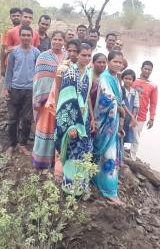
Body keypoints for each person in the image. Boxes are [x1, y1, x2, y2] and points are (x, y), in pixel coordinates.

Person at [55, 43, 94, 194]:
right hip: (72, 121)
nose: (86, 58)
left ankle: (80, 186)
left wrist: (91, 117)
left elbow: (87, 97)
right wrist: (71, 125)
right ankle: (69, 188)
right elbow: (66, 100)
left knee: (84, 152)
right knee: (72, 152)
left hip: (83, 119)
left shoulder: (89, 72)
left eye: (89, 55)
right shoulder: (70, 73)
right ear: (76, 55)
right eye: (83, 55)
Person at [92, 51, 125, 205]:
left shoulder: (116, 79)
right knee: (109, 154)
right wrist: (118, 107)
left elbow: (118, 98)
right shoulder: (105, 77)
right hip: (106, 121)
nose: (118, 65)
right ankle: (109, 190)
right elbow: (107, 99)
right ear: (109, 61)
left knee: (109, 154)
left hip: (114, 121)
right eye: (115, 62)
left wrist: (121, 111)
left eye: (120, 62)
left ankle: (98, 180)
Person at [3, 25, 40, 157]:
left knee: (27, 118)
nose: (25, 37)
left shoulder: (36, 53)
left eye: (28, 35)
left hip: (30, 90)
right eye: (23, 35)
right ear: (19, 36)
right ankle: (12, 144)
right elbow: (9, 71)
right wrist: (6, 88)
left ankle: (22, 144)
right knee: (12, 118)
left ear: (32, 37)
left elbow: (39, 73)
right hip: (15, 89)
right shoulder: (14, 52)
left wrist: (38, 91)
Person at [32, 31, 66, 169]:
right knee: (46, 127)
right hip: (46, 101)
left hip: (63, 99)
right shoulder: (43, 56)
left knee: (59, 129)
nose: (57, 42)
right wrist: (40, 99)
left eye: (60, 39)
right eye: (55, 39)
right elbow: (39, 78)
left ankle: (56, 161)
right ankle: (41, 159)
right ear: (51, 40)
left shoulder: (68, 57)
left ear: (64, 41)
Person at [132, 61, 158, 157]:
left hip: (141, 115)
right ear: (141, 69)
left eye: (149, 69)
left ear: (151, 71)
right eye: (145, 69)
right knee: (122, 134)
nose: (147, 71)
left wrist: (152, 118)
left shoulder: (153, 86)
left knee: (136, 137)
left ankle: (132, 157)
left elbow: (153, 103)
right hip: (128, 113)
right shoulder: (132, 80)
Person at [121, 69, 139, 160]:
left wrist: (133, 118)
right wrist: (132, 116)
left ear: (133, 80)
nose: (128, 81)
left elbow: (136, 106)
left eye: (130, 79)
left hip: (129, 119)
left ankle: (122, 155)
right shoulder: (120, 89)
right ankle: (119, 155)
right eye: (126, 78)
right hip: (122, 117)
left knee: (126, 135)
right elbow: (123, 104)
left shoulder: (134, 92)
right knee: (120, 134)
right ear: (122, 79)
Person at [1, 8, 21, 77]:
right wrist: (2, 67)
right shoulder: (7, 31)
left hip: (21, 64)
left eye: (18, 16)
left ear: (21, 16)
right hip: (9, 64)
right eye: (13, 16)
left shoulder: (26, 31)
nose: (16, 17)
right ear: (10, 17)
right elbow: (3, 49)